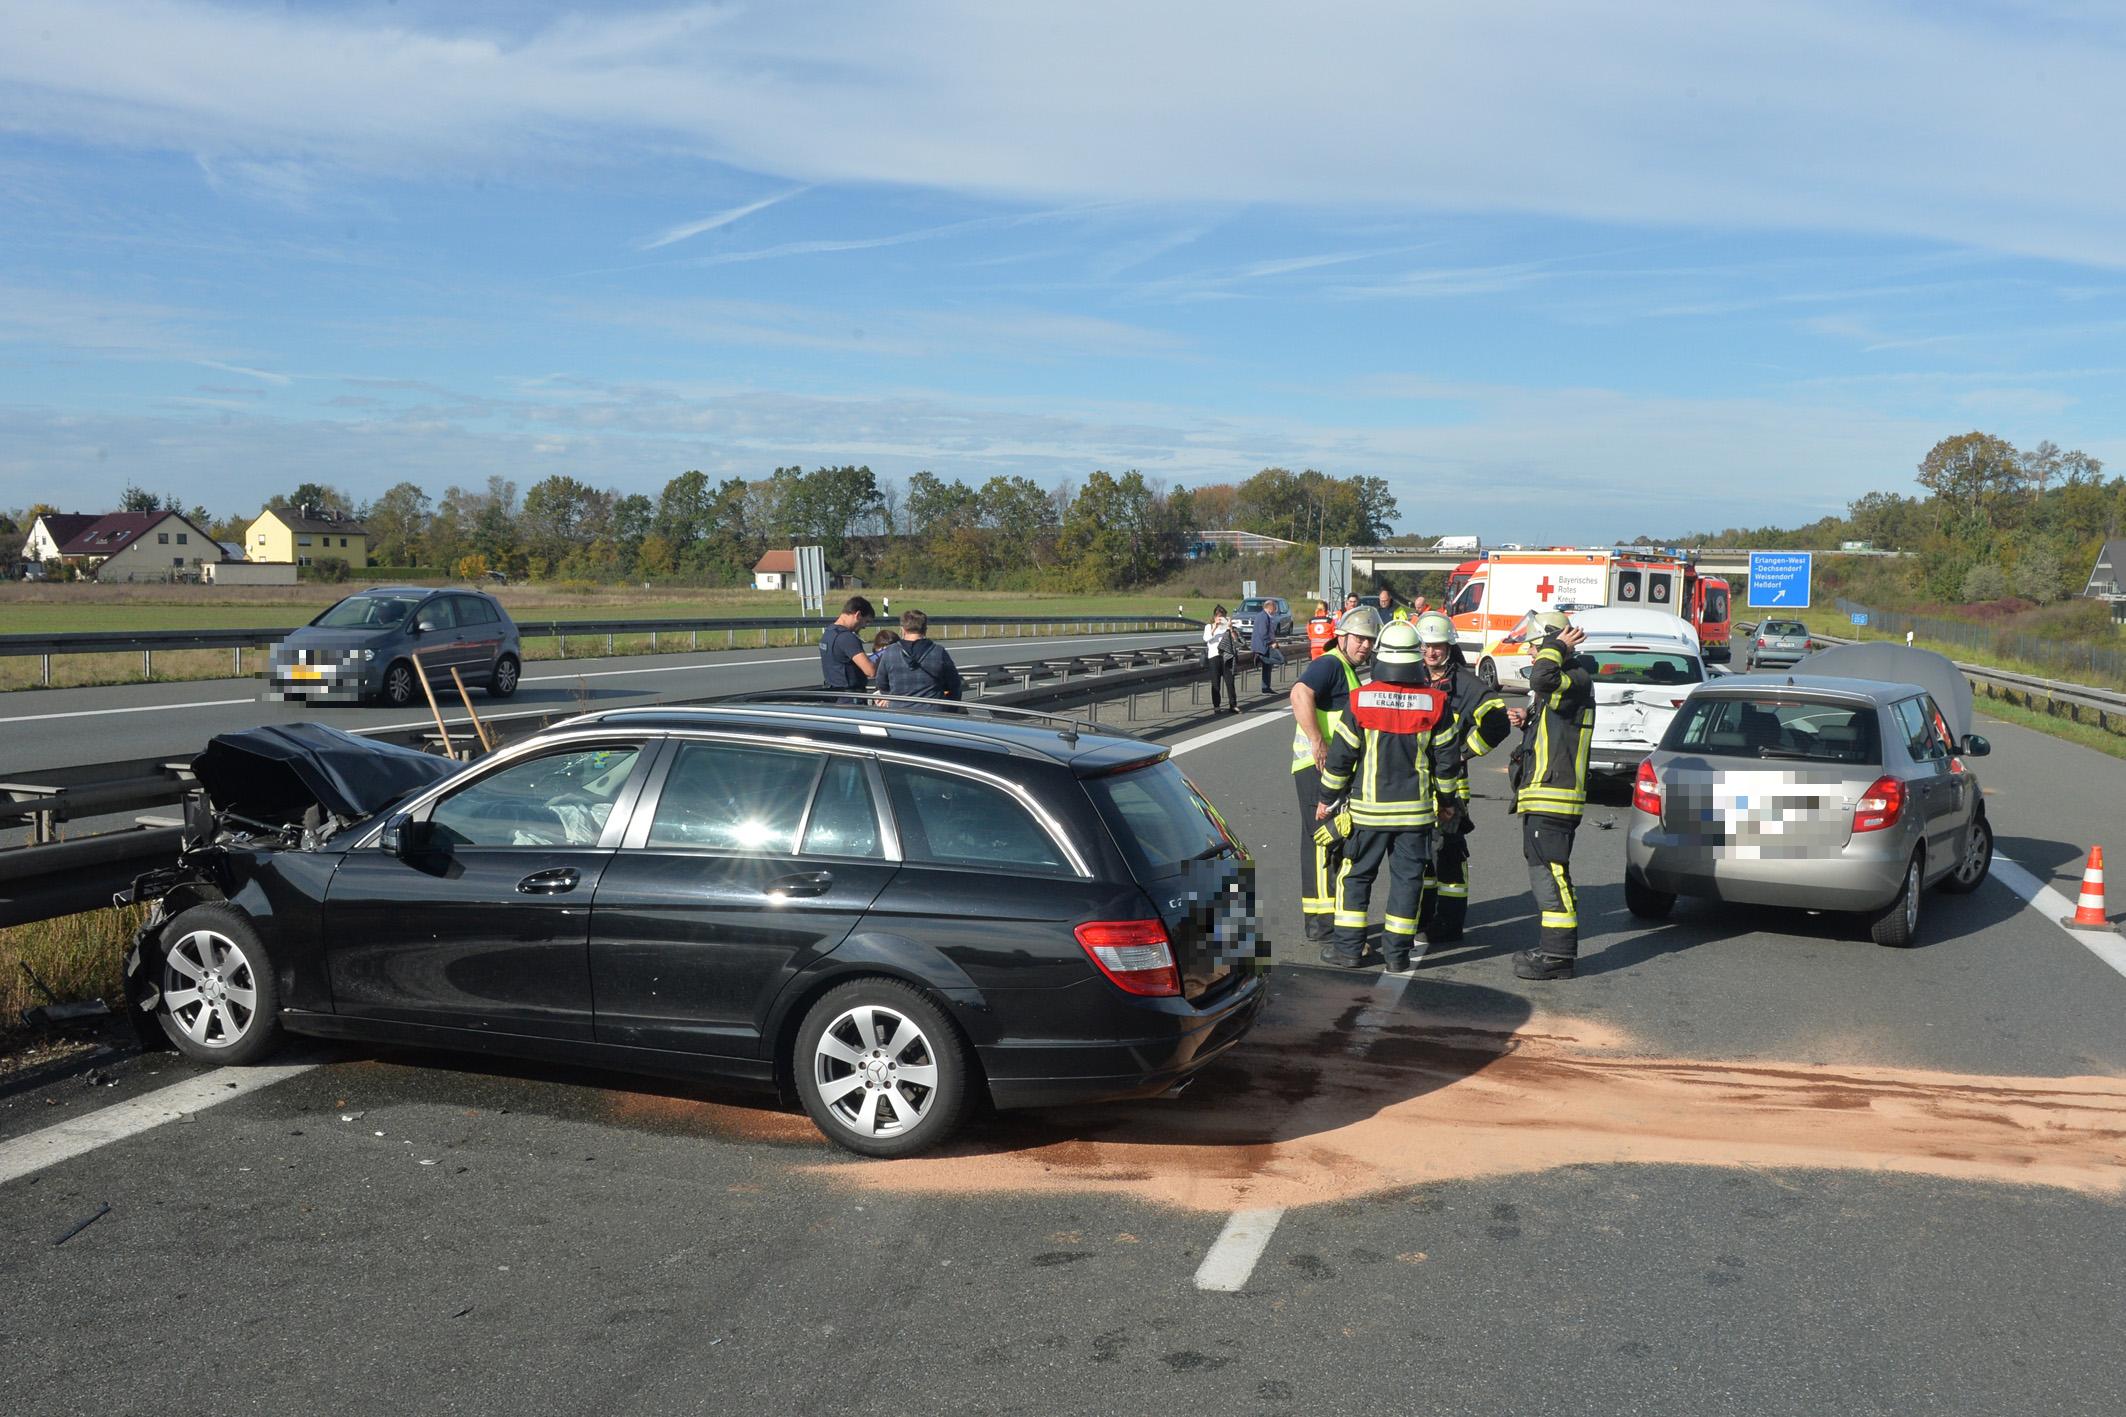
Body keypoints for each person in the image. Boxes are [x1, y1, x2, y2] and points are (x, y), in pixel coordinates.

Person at [1313, 620, 1462, 973]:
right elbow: (1446, 763)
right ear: (1416, 658)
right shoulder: (1437, 703)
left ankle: (1349, 950)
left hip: (1368, 813)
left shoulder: (1360, 700)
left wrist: (1326, 798)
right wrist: (1447, 803)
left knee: (1356, 877)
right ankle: (1397, 956)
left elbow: (1341, 758)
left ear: (1380, 655)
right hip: (1415, 816)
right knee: (1408, 882)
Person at [1505, 611, 1595, 980]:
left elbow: (1543, 675)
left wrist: (1555, 645)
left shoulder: (1573, 678)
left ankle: (1558, 957)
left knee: (1552, 873)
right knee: (1544, 872)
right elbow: (1554, 731)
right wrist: (1527, 723)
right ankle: (1552, 950)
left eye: (1533, 644)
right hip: (1543, 794)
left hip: (1554, 796)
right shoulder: (1563, 685)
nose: (1529, 652)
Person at [1412, 610, 1510, 944]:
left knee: (1448, 853)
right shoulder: (1411, 677)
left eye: (1437, 646)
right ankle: (1422, 917)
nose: (1431, 652)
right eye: (1425, 646)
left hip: (1451, 787)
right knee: (1418, 853)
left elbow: (1498, 721)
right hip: (1414, 784)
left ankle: (1450, 923)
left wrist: (1463, 753)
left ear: (1449, 646)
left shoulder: (1466, 685)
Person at [1288, 606, 1379, 944]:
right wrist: (1317, 742)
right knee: (1326, 839)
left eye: (1370, 641)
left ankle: (1321, 919)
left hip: (1326, 768)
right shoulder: (1330, 664)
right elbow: (1299, 693)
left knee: (1319, 840)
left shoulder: (1349, 670)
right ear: (1342, 636)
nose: (1365, 646)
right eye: (1359, 639)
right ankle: (1324, 924)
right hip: (1316, 767)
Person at [873, 609, 963, 700]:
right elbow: (955, 684)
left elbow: (882, 684)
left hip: (899, 709)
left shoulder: (890, 652)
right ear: (925, 630)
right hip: (933, 709)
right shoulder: (938, 651)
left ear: (903, 630)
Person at [820, 595, 877, 694]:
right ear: (858, 615)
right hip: (850, 697)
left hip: (833, 693)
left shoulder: (828, 633)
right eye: (866, 621)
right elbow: (870, 671)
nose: (864, 627)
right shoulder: (847, 638)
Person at [1203, 605, 1240, 713]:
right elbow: (1207, 639)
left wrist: (1230, 628)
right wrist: (1215, 627)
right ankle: (1216, 706)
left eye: (1223, 617)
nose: (1221, 619)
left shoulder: (1227, 628)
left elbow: (1236, 641)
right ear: (1214, 617)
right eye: (1219, 617)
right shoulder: (1209, 627)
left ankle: (1233, 705)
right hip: (1214, 657)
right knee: (1215, 683)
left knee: (1230, 682)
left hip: (1226, 656)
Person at [1249, 599, 1283, 694]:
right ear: (1270, 608)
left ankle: (1266, 687)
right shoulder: (1263, 617)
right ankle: (1259, 657)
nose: (1275, 611)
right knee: (1280, 660)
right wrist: (1271, 643)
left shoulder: (1265, 616)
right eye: (1275, 609)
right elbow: (1263, 633)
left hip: (1265, 646)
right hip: (1263, 647)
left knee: (1268, 667)